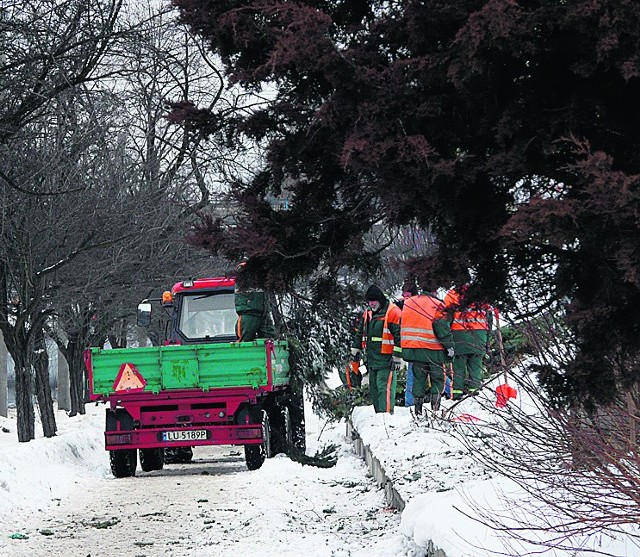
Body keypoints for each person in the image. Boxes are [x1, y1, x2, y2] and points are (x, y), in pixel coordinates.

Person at [400, 288, 455, 414]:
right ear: (434, 291)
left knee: (418, 379)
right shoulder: (437, 305)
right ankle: (435, 409)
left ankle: (417, 410)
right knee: (437, 379)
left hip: (415, 350)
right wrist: (449, 346)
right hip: (433, 350)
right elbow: (441, 328)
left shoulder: (409, 303)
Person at [350, 285, 402, 413]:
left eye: (373, 301)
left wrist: (396, 356)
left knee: (384, 389)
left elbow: (399, 336)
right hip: (372, 359)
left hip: (386, 360)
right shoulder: (368, 314)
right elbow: (360, 333)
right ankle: (379, 416)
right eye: (369, 301)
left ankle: (386, 418)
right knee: (374, 390)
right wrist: (355, 349)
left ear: (380, 299)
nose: (371, 304)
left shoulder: (393, 312)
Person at [444, 285, 492, 400]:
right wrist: (487, 337)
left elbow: (446, 319)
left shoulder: (452, 295)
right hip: (479, 335)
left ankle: (456, 394)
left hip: (459, 336)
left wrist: (446, 339)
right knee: (476, 367)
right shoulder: (481, 292)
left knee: (458, 368)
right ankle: (474, 393)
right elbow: (489, 317)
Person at [234, 262, 276, 341]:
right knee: (245, 341)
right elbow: (241, 269)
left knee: (269, 339)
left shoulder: (263, 270)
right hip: (250, 310)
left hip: (262, 311)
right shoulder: (245, 269)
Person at [395, 283, 419, 407]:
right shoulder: (404, 307)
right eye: (403, 296)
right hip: (412, 347)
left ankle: (409, 403)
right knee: (413, 375)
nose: (405, 298)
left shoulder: (416, 307)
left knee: (433, 374)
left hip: (420, 346)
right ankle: (409, 402)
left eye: (407, 296)